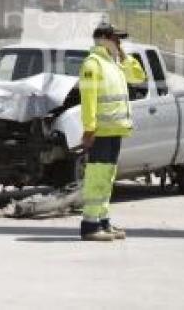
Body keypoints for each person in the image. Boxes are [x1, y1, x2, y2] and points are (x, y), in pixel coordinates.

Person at [78, 22, 147, 241]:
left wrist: (124, 56)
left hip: (114, 130)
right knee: (97, 177)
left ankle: (103, 221)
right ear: (105, 39)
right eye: (116, 39)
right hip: (100, 132)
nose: (119, 42)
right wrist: (89, 129)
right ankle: (90, 225)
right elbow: (88, 99)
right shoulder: (93, 64)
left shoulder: (113, 63)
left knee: (107, 177)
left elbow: (138, 77)